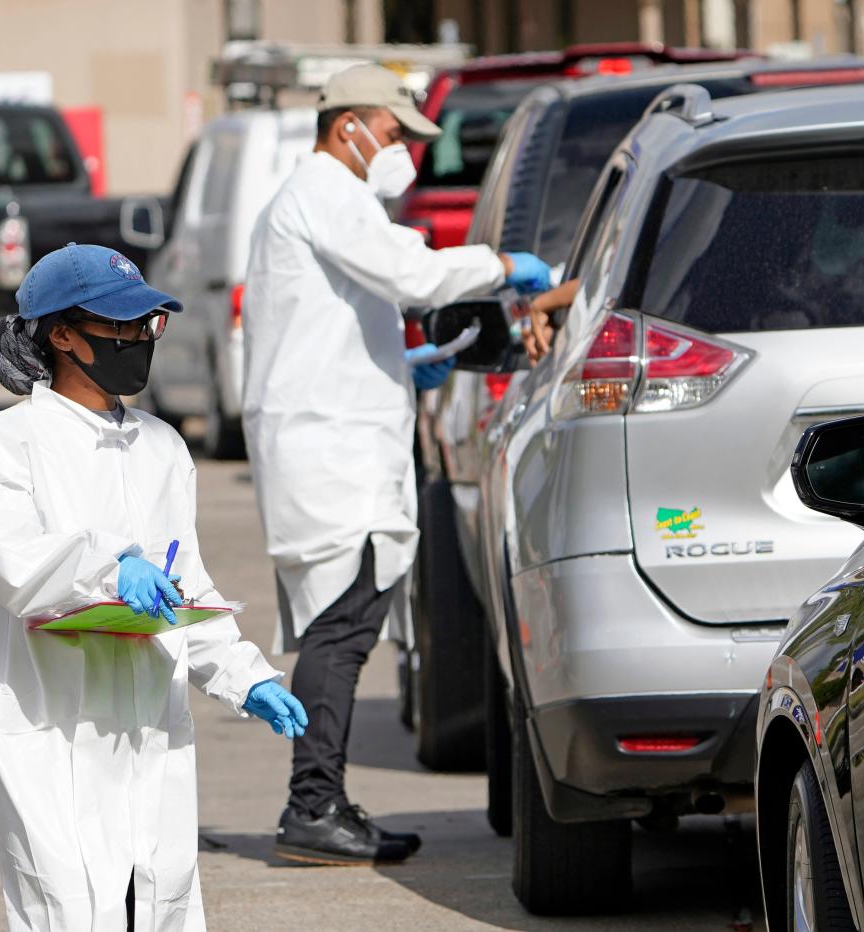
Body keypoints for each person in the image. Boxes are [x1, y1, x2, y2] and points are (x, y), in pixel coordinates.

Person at [241, 64, 552, 866]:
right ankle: (311, 807)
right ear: (348, 125)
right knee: (340, 629)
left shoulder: (324, 202)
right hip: (328, 446)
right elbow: (410, 275)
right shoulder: (323, 194)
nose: (401, 149)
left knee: (342, 624)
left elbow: (340, 318)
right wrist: (501, 265)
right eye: (392, 131)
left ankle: (322, 801)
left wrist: (403, 362)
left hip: (336, 434)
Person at [0, 243, 308, 931]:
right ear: (61, 334)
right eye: (121, 326)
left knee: (157, 898)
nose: (139, 340)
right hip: (55, 729)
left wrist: (246, 677)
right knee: (69, 901)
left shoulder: (161, 448)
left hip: (150, 731)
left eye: (148, 324)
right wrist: (110, 567)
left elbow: (187, 590)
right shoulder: (8, 444)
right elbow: (10, 560)